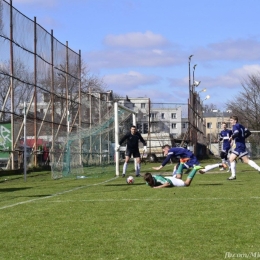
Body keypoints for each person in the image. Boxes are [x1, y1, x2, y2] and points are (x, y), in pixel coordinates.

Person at [152, 145, 227, 177]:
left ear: (166, 149)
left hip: (190, 158)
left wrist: (160, 167)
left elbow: (167, 159)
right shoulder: (173, 150)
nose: (164, 153)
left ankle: (174, 179)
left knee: (177, 167)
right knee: (202, 171)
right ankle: (219, 164)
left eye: (164, 151)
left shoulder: (171, 150)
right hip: (189, 157)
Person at [227, 116, 260, 180]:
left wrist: (232, 137)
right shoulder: (241, 126)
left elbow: (236, 133)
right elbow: (248, 132)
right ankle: (233, 176)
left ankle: (233, 176)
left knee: (243, 160)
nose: (230, 122)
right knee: (234, 159)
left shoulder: (235, 126)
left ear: (235, 121)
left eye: (231, 120)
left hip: (239, 146)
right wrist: (243, 138)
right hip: (241, 145)